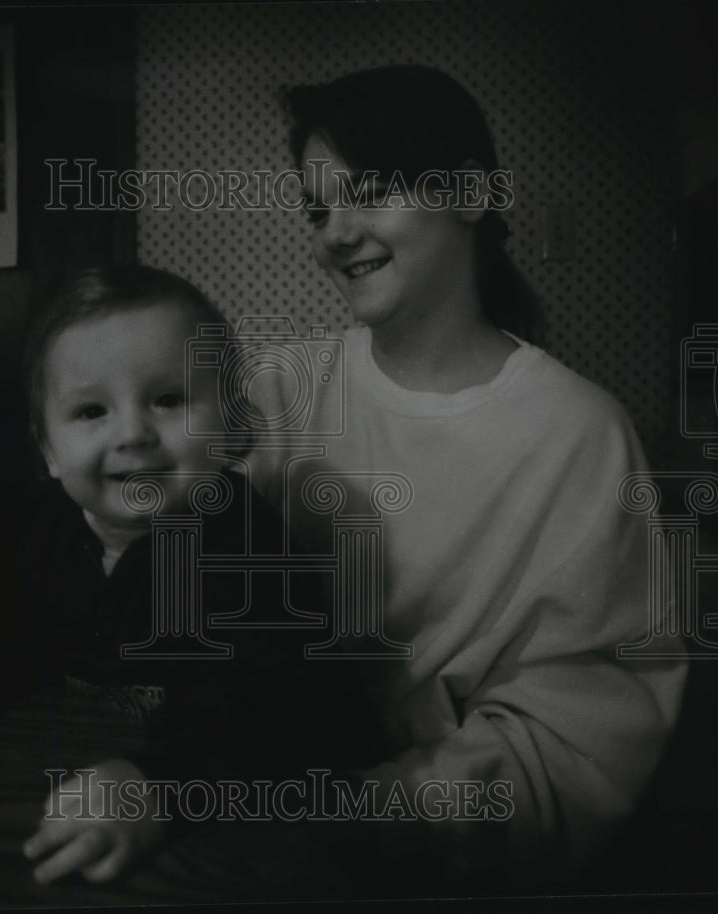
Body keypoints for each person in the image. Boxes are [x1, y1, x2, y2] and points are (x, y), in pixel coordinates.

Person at [242, 65, 689, 892]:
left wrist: (390, 806)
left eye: (369, 192)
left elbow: (589, 713)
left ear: (472, 194)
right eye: (317, 209)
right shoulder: (278, 390)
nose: (335, 234)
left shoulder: (580, 432)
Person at [0, 264, 378, 887]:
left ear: (233, 426)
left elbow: (265, 708)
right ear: (49, 451)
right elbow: (13, 623)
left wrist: (158, 786)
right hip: (87, 764)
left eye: (168, 400)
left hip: (256, 799)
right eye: (92, 410)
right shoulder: (39, 525)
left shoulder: (245, 546)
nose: (133, 434)